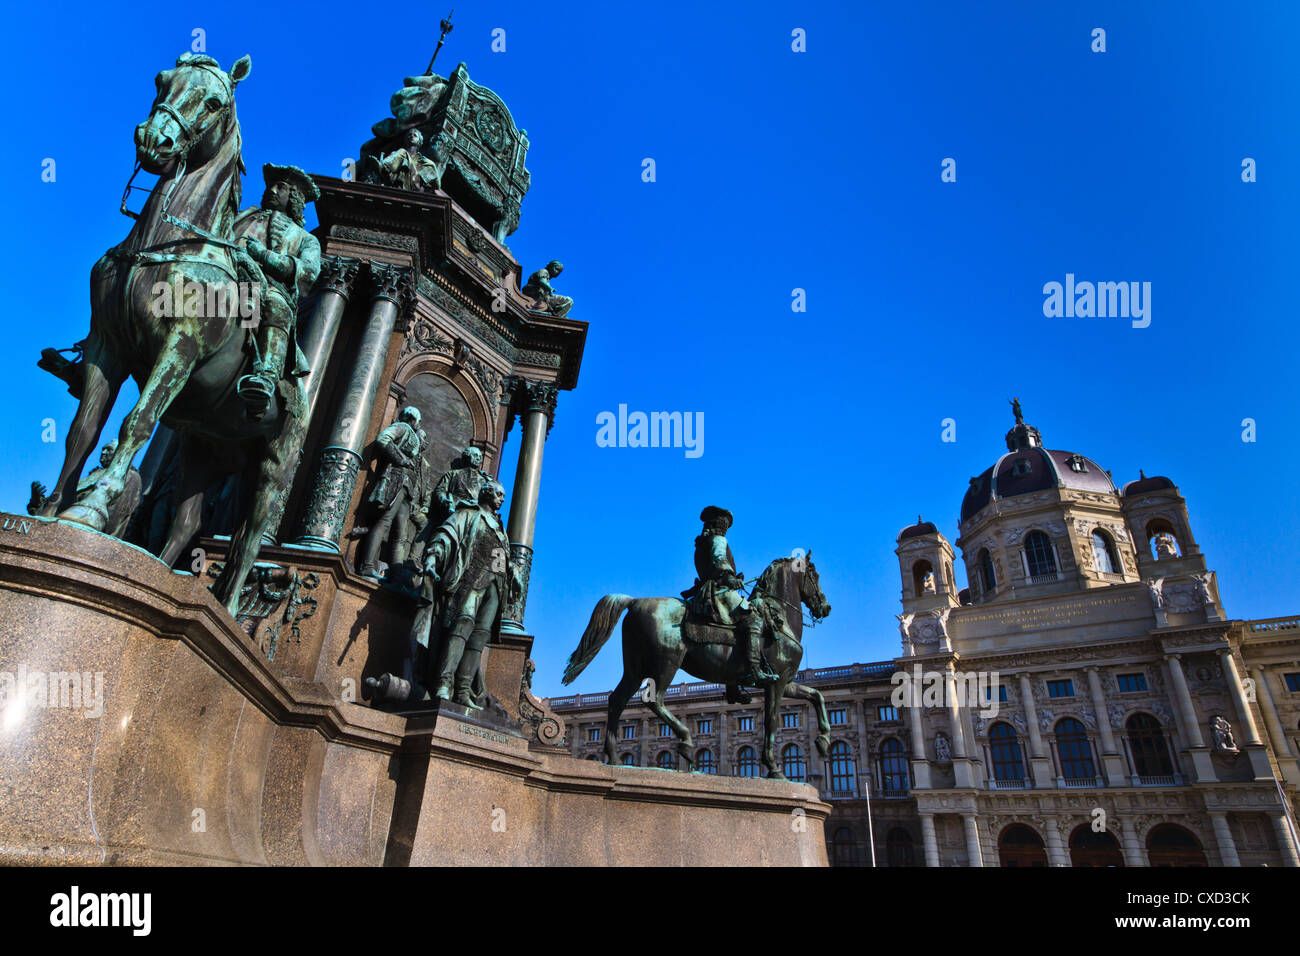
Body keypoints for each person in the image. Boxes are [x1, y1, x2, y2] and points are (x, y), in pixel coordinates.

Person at [418, 480, 521, 707]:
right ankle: (443, 683)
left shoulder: (499, 526)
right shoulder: (468, 514)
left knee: (480, 636)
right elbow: (446, 534)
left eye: (503, 495)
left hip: (495, 585)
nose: (502, 499)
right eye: (499, 494)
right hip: (472, 578)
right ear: (486, 493)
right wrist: (433, 556)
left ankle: (463, 691)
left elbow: (500, 557)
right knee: (462, 625)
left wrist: (512, 569)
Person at [231, 164, 322, 420]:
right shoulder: (245, 217)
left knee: (276, 306)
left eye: (280, 187)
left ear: (294, 197)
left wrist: (263, 256)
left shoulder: (305, 238)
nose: (271, 190)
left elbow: (308, 273)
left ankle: (266, 376)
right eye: (270, 185)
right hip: (230, 277)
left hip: (270, 288)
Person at [682, 506, 779, 701]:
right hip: (718, 592)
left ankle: (733, 689)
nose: (726, 528)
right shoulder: (718, 540)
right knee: (753, 617)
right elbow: (719, 560)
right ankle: (754, 669)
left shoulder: (701, 543)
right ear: (720, 524)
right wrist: (730, 578)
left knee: (734, 632)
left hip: (706, 591)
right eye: (725, 523)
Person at [357, 407, 426, 578]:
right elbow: (383, 438)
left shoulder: (411, 433)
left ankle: (396, 575)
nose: (420, 424)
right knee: (384, 522)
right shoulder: (403, 427)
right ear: (412, 418)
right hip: (396, 480)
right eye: (419, 420)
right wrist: (402, 459)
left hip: (406, 488)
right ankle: (366, 565)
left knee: (401, 534)